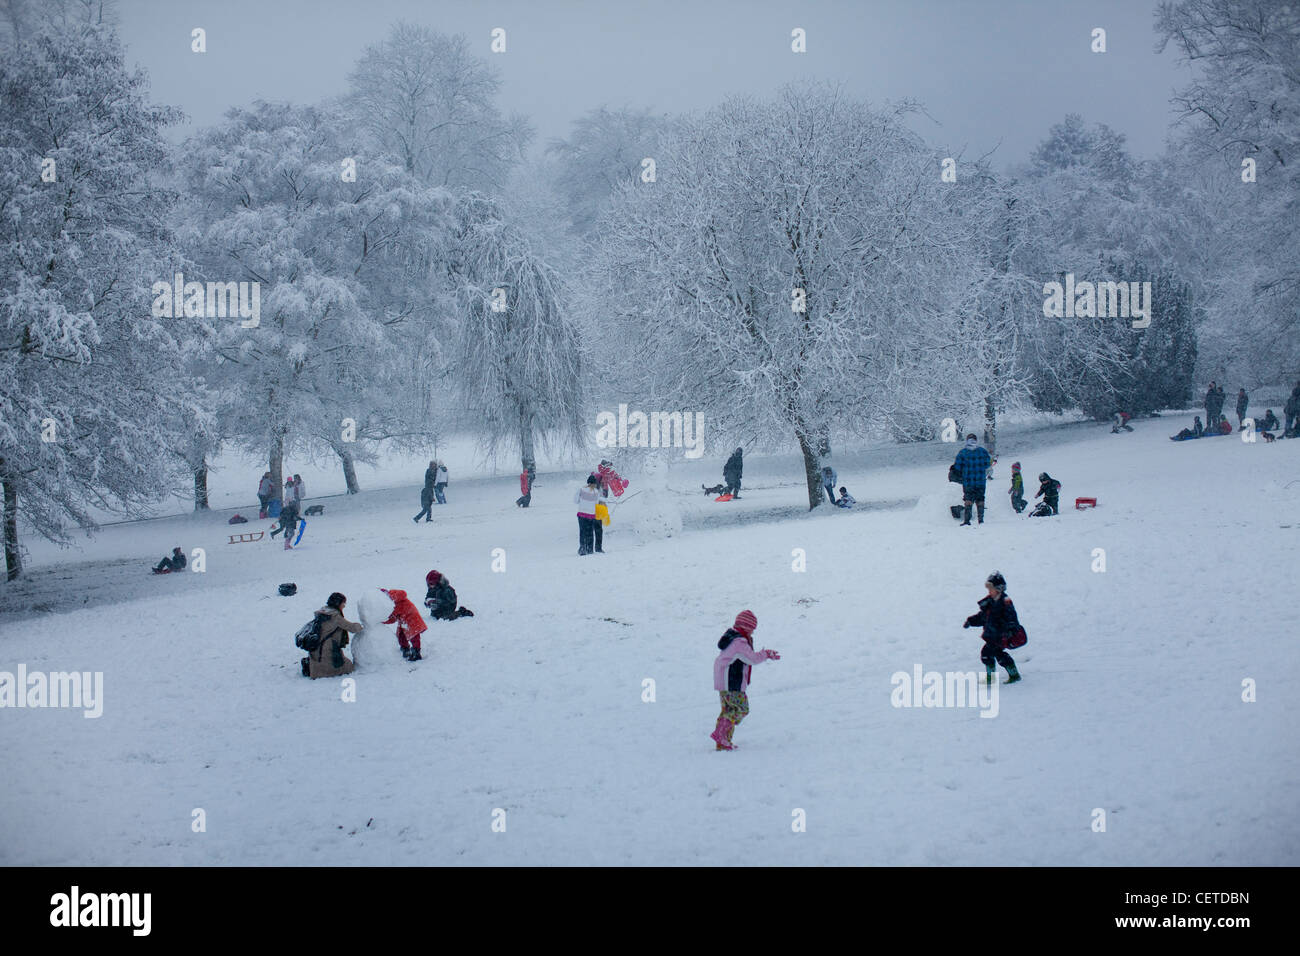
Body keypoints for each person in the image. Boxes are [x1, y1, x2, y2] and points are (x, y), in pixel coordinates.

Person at [710, 610, 780, 751]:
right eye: (752, 630)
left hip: (724, 681)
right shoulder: (739, 642)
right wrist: (766, 654)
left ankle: (723, 742)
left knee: (728, 711)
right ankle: (721, 734)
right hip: (731, 682)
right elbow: (752, 658)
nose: (752, 633)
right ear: (746, 627)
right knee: (741, 709)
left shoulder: (732, 638)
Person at [962, 571, 1021, 684]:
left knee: (987, 653)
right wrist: (971, 621)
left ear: (999, 588)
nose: (989, 591)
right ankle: (1012, 674)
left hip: (1000, 635)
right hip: (993, 635)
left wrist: (1010, 630)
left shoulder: (1005, 601)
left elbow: (1011, 618)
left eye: (991, 588)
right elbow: (983, 617)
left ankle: (993, 678)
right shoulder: (990, 602)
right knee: (998, 655)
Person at [305, 592, 362, 679]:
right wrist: (362, 626)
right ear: (338, 603)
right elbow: (351, 627)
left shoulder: (324, 612)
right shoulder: (334, 616)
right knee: (349, 667)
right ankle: (324, 671)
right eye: (343, 603)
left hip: (317, 652)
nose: (344, 605)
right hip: (326, 651)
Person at [953, 434, 992, 526]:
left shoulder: (963, 453)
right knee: (980, 499)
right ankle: (981, 520)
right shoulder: (982, 452)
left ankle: (967, 520)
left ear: (967, 440)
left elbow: (957, 467)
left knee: (968, 499)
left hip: (968, 481)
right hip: (980, 481)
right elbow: (987, 464)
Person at [381, 588, 428, 661]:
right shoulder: (394, 599)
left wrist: (382, 620)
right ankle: (405, 649)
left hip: (412, 620)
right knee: (401, 635)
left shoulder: (396, 602)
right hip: (404, 620)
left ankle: (416, 652)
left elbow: (392, 618)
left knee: (414, 637)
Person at [574, 474, 602, 555]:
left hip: (581, 514)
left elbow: (575, 501)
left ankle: (583, 549)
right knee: (590, 532)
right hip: (591, 515)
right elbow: (596, 503)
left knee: (582, 532)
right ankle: (590, 549)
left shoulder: (581, 489)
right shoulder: (596, 492)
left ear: (588, 482)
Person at [270, 478, 301, 548]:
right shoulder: (292, 509)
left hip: (286, 521)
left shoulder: (286, 508)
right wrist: (301, 519)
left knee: (287, 530)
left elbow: (283, 513)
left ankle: (286, 542)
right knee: (290, 533)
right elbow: (294, 516)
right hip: (288, 522)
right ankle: (286, 545)